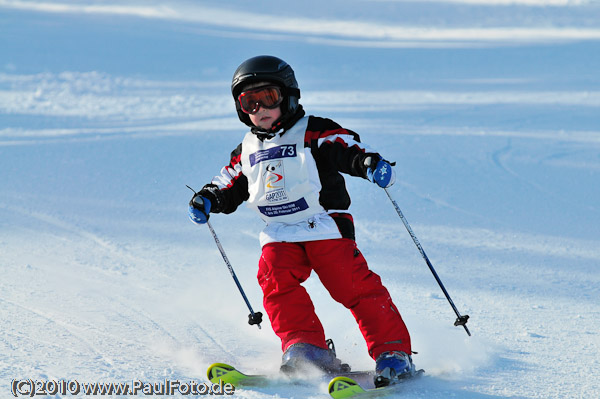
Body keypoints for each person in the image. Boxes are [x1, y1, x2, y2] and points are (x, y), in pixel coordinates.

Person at [189, 55, 416, 387]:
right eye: (249, 102)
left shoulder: (312, 131)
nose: (259, 108)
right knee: (275, 281)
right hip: (279, 232)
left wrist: (366, 162)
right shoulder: (247, 149)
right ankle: (307, 348)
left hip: (325, 225)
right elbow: (229, 182)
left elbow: (344, 146)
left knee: (352, 287)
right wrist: (208, 197)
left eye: (268, 97)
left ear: (289, 95)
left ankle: (393, 352)